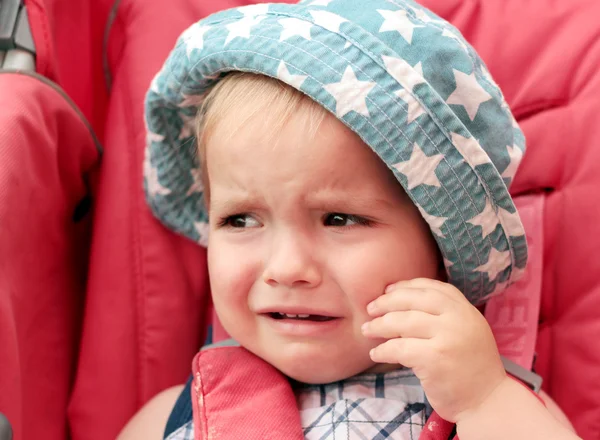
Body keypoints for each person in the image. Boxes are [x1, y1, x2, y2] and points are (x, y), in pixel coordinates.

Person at [119, 0, 580, 438]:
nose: (286, 268)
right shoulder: (174, 417)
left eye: (339, 219)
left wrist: (484, 400)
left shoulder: (495, 405)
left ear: (443, 248)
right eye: (240, 221)